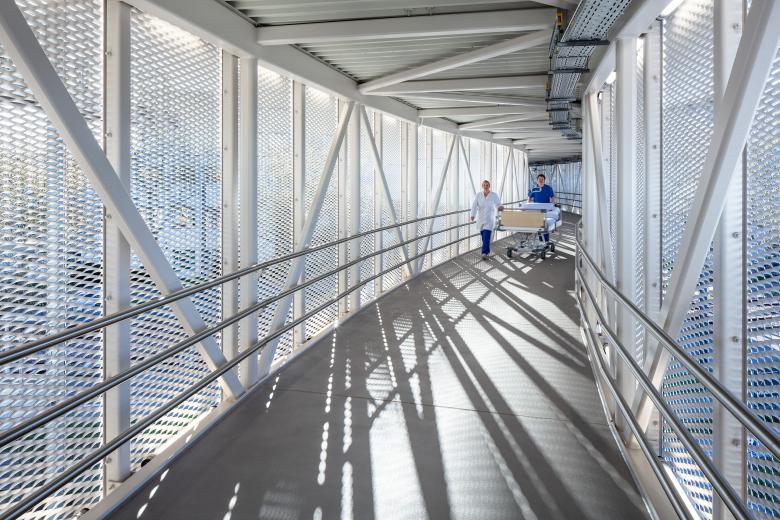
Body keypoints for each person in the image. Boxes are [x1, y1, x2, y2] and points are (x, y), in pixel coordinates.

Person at [471, 180, 503, 260]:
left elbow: (498, 204)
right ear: (482, 186)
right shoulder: (478, 195)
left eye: (487, 185)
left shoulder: (494, 195)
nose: (486, 186)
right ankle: (487, 251)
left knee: (486, 235)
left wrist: (500, 207)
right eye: (484, 185)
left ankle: (484, 253)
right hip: (481, 218)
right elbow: (474, 205)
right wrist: (472, 215)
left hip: (489, 218)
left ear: (489, 186)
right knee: (483, 236)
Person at [528, 173, 556, 242]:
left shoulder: (548, 188)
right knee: (539, 227)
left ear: (544, 180)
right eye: (539, 179)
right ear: (537, 181)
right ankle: (541, 241)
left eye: (542, 179)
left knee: (544, 226)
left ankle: (546, 242)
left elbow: (553, 197)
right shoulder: (534, 189)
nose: (540, 180)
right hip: (537, 210)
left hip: (545, 210)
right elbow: (530, 198)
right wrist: (528, 205)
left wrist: (553, 204)